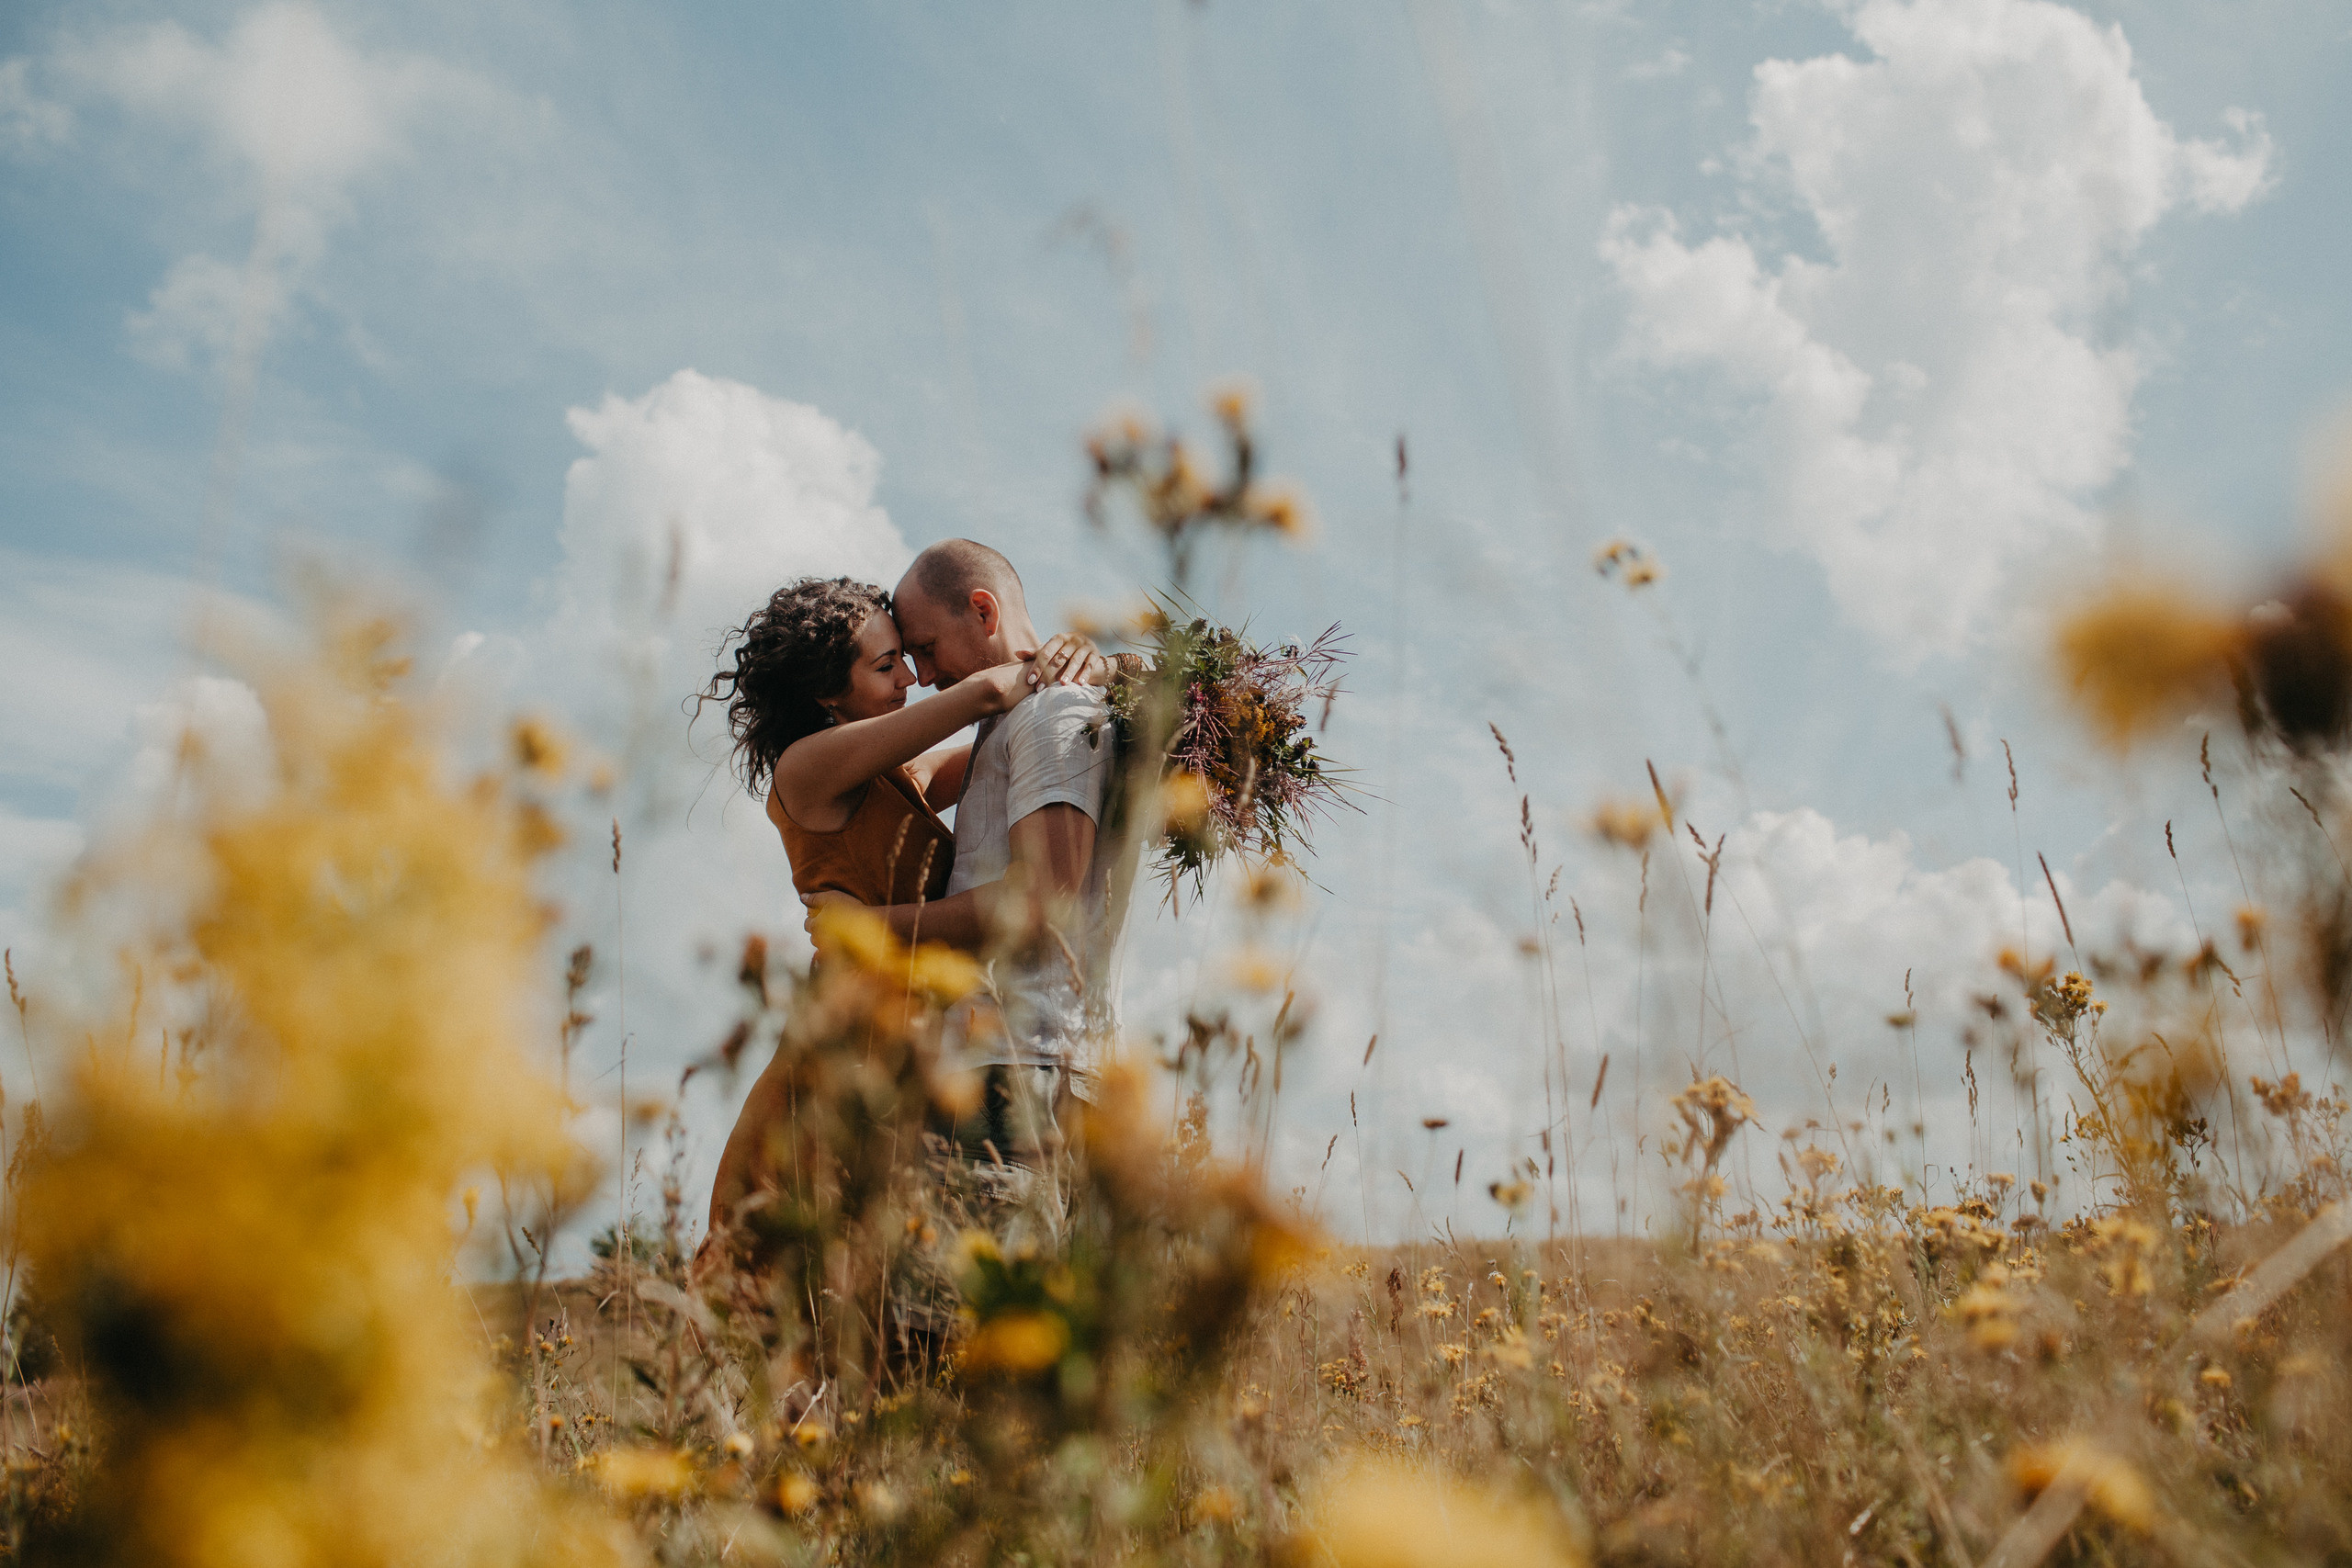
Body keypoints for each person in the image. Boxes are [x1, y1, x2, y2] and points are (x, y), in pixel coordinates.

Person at [696, 574, 1100, 1246]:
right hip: (845, 1056)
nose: (911, 679)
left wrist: (1110, 667)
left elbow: (1005, 741)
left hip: (914, 1059)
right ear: (828, 695)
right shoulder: (804, 772)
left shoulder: (897, 779)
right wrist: (1075, 662)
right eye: (887, 666)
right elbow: (992, 692)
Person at [802, 540, 1137, 1239]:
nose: (922, 678)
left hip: (1015, 1070)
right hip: (1022, 1066)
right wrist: (1119, 667)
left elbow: (1041, 903)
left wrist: (866, 929)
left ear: (983, 611)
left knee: (968, 1303)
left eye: (924, 650)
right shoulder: (1018, 718)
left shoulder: (1050, 715)